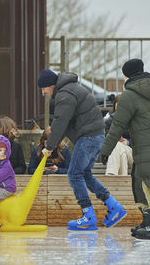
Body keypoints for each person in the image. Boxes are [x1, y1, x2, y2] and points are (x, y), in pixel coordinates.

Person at [37, 68, 127, 231]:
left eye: (44, 88)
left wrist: (49, 146)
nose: (43, 92)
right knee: (85, 174)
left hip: (89, 137)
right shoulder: (68, 90)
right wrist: (52, 144)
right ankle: (114, 206)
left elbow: (60, 122)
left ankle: (88, 216)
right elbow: (64, 124)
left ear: (51, 85)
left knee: (74, 174)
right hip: (95, 136)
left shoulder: (65, 94)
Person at [100, 59, 150, 240]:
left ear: (127, 75)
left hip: (147, 143)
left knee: (149, 181)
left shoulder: (129, 95)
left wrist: (105, 150)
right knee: (140, 180)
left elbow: (117, 125)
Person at [104, 95, 133, 175]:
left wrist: (127, 142)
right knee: (122, 155)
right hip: (117, 150)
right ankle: (122, 184)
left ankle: (110, 174)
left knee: (117, 146)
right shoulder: (109, 121)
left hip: (133, 152)